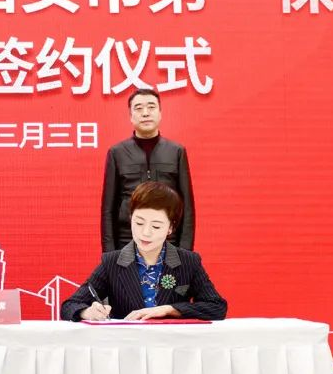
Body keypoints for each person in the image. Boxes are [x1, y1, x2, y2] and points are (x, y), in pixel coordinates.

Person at [63, 181, 226, 321]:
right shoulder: (112, 262)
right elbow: (70, 305)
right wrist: (87, 312)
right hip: (128, 344)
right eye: (139, 223)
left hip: (172, 343)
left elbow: (216, 306)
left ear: (170, 227)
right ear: (130, 219)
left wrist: (170, 309)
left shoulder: (188, 261)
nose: (146, 233)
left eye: (156, 226)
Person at [101, 88, 195, 252]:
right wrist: (109, 254)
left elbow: (187, 207)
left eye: (151, 107)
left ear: (160, 113)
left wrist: (185, 251)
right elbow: (108, 209)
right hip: (127, 241)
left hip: (169, 241)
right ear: (131, 116)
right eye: (138, 108)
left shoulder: (176, 151)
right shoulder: (117, 153)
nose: (145, 113)